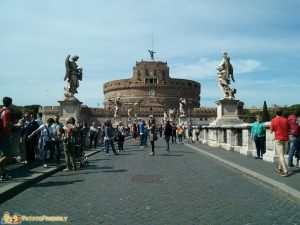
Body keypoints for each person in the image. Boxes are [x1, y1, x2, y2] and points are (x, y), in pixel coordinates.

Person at [270, 108, 290, 177]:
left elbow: (271, 131)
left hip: (278, 139)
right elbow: (289, 129)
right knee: (282, 154)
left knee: (281, 155)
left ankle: (285, 171)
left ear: (276, 113)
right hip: (286, 139)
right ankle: (279, 167)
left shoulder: (273, 120)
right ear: (282, 113)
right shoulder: (286, 120)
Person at [0, 97, 13, 180]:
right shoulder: (7, 112)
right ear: (10, 103)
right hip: (4, 135)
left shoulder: (0, 110)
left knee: (1, 156)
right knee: (8, 156)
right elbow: (6, 125)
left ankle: (3, 175)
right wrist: (16, 125)